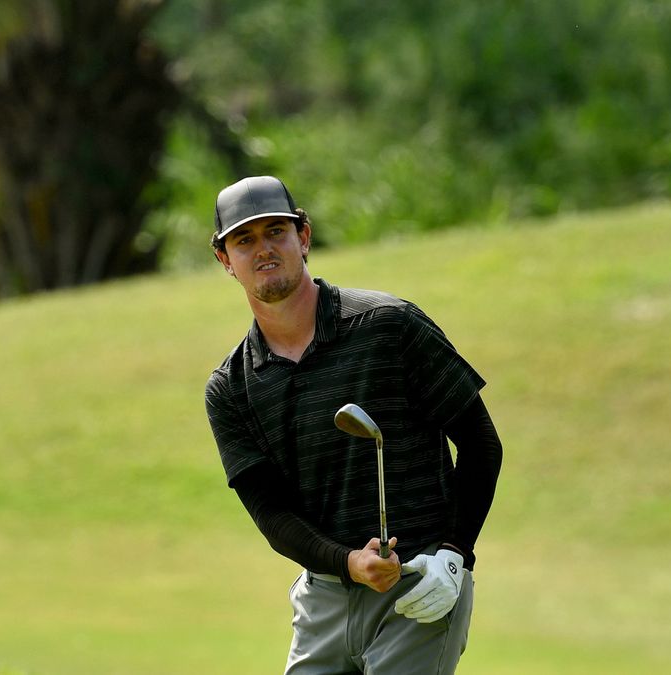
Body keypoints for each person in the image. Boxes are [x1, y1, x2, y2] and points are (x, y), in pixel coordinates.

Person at [204, 176, 503, 674]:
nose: (263, 250)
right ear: (225, 260)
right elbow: (272, 514)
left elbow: (479, 443)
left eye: (276, 231)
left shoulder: (390, 325)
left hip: (418, 582)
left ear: (304, 236)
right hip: (323, 600)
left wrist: (455, 554)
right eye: (245, 240)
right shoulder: (231, 387)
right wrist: (346, 562)